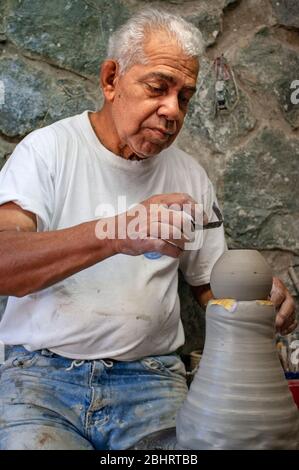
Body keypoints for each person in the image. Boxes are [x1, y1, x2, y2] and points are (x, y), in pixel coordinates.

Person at [0, 8, 296, 450]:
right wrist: (114, 233)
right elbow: (6, 263)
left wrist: (255, 303)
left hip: (151, 379)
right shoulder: (48, 152)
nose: (172, 110)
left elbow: (212, 286)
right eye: (158, 87)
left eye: (186, 97)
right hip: (41, 379)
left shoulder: (190, 176)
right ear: (111, 79)